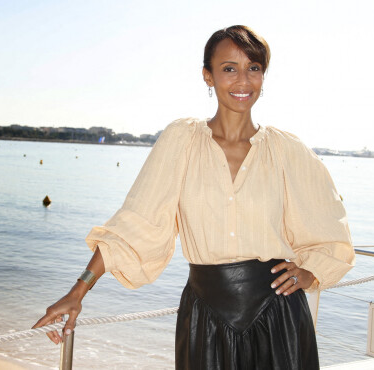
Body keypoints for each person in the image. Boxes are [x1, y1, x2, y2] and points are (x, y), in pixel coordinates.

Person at [33, 25, 355, 369]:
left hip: (279, 315)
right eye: (229, 68)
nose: (243, 81)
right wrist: (78, 292)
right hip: (206, 315)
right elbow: (135, 224)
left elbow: (330, 230)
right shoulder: (182, 140)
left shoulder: (288, 150)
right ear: (208, 76)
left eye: (254, 68)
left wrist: (310, 272)